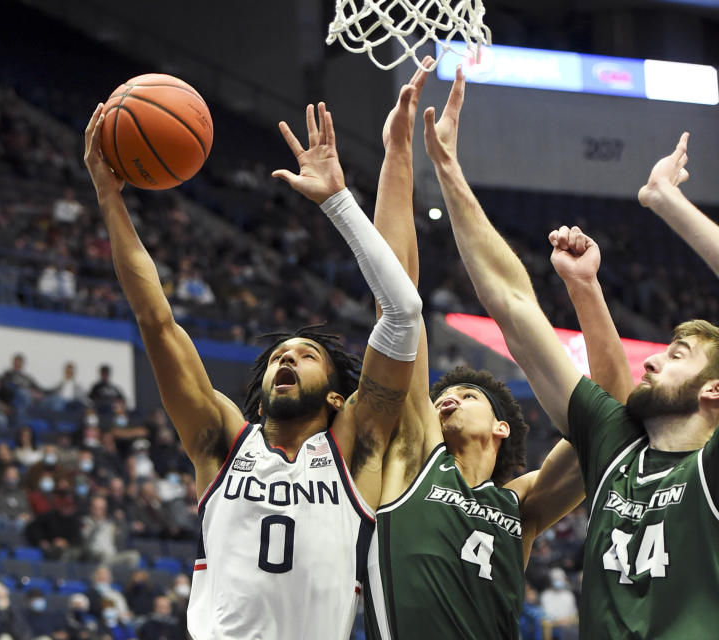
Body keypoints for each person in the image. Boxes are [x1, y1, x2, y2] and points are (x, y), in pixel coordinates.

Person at [85, 96, 421, 639]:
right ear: (261, 393)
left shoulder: (358, 446)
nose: (287, 358)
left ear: (338, 398)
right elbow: (157, 321)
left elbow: (403, 313)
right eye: (278, 357)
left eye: (305, 356)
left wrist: (337, 201)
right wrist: (108, 196)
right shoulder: (220, 439)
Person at [423, 67, 719, 637]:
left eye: (678, 355)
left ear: (714, 391)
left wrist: (667, 202)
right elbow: (512, 304)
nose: (652, 361)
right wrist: (449, 172)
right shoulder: (615, 450)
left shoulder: (708, 468)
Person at [361, 64, 618, 639]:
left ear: (503, 428)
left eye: (465, 394)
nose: (445, 400)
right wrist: (399, 156)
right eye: (443, 396)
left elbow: (610, 421)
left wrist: (585, 289)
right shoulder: (411, 460)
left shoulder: (520, 507)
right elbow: (396, 301)